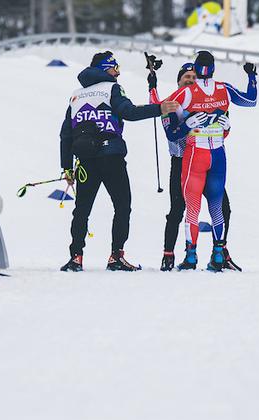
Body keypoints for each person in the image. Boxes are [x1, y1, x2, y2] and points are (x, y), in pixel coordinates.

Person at [58, 51, 180, 272]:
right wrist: (159, 109)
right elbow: (129, 112)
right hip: (111, 156)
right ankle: (116, 256)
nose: (118, 72)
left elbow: (66, 134)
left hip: (84, 161)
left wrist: (66, 167)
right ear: (106, 69)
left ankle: (75, 257)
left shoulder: (76, 95)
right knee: (122, 206)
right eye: (115, 68)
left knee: (82, 209)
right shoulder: (111, 88)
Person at [164, 50, 257, 272]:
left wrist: (186, 124)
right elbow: (251, 100)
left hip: (195, 153)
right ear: (213, 68)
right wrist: (252, 77)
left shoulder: (187, 92)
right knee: (217, 206)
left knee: (192, 208)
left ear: (195, 69)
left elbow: (164, 114)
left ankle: (191, 257)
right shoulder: (224, 88)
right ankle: (217, 255)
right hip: (218, 154)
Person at [146, 55, 236, 272]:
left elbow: (223, 130)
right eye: (186, 77)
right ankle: (169, 255)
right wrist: (152, 82)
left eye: (193, 76)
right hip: (181, 162)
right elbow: (168, 129)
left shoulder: (208, 98)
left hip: (208, 159)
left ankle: (221, 253)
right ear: (179, 82)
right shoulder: (175, 102)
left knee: (223, 207)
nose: (190, 80)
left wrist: (226, 127)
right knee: (178, 209)